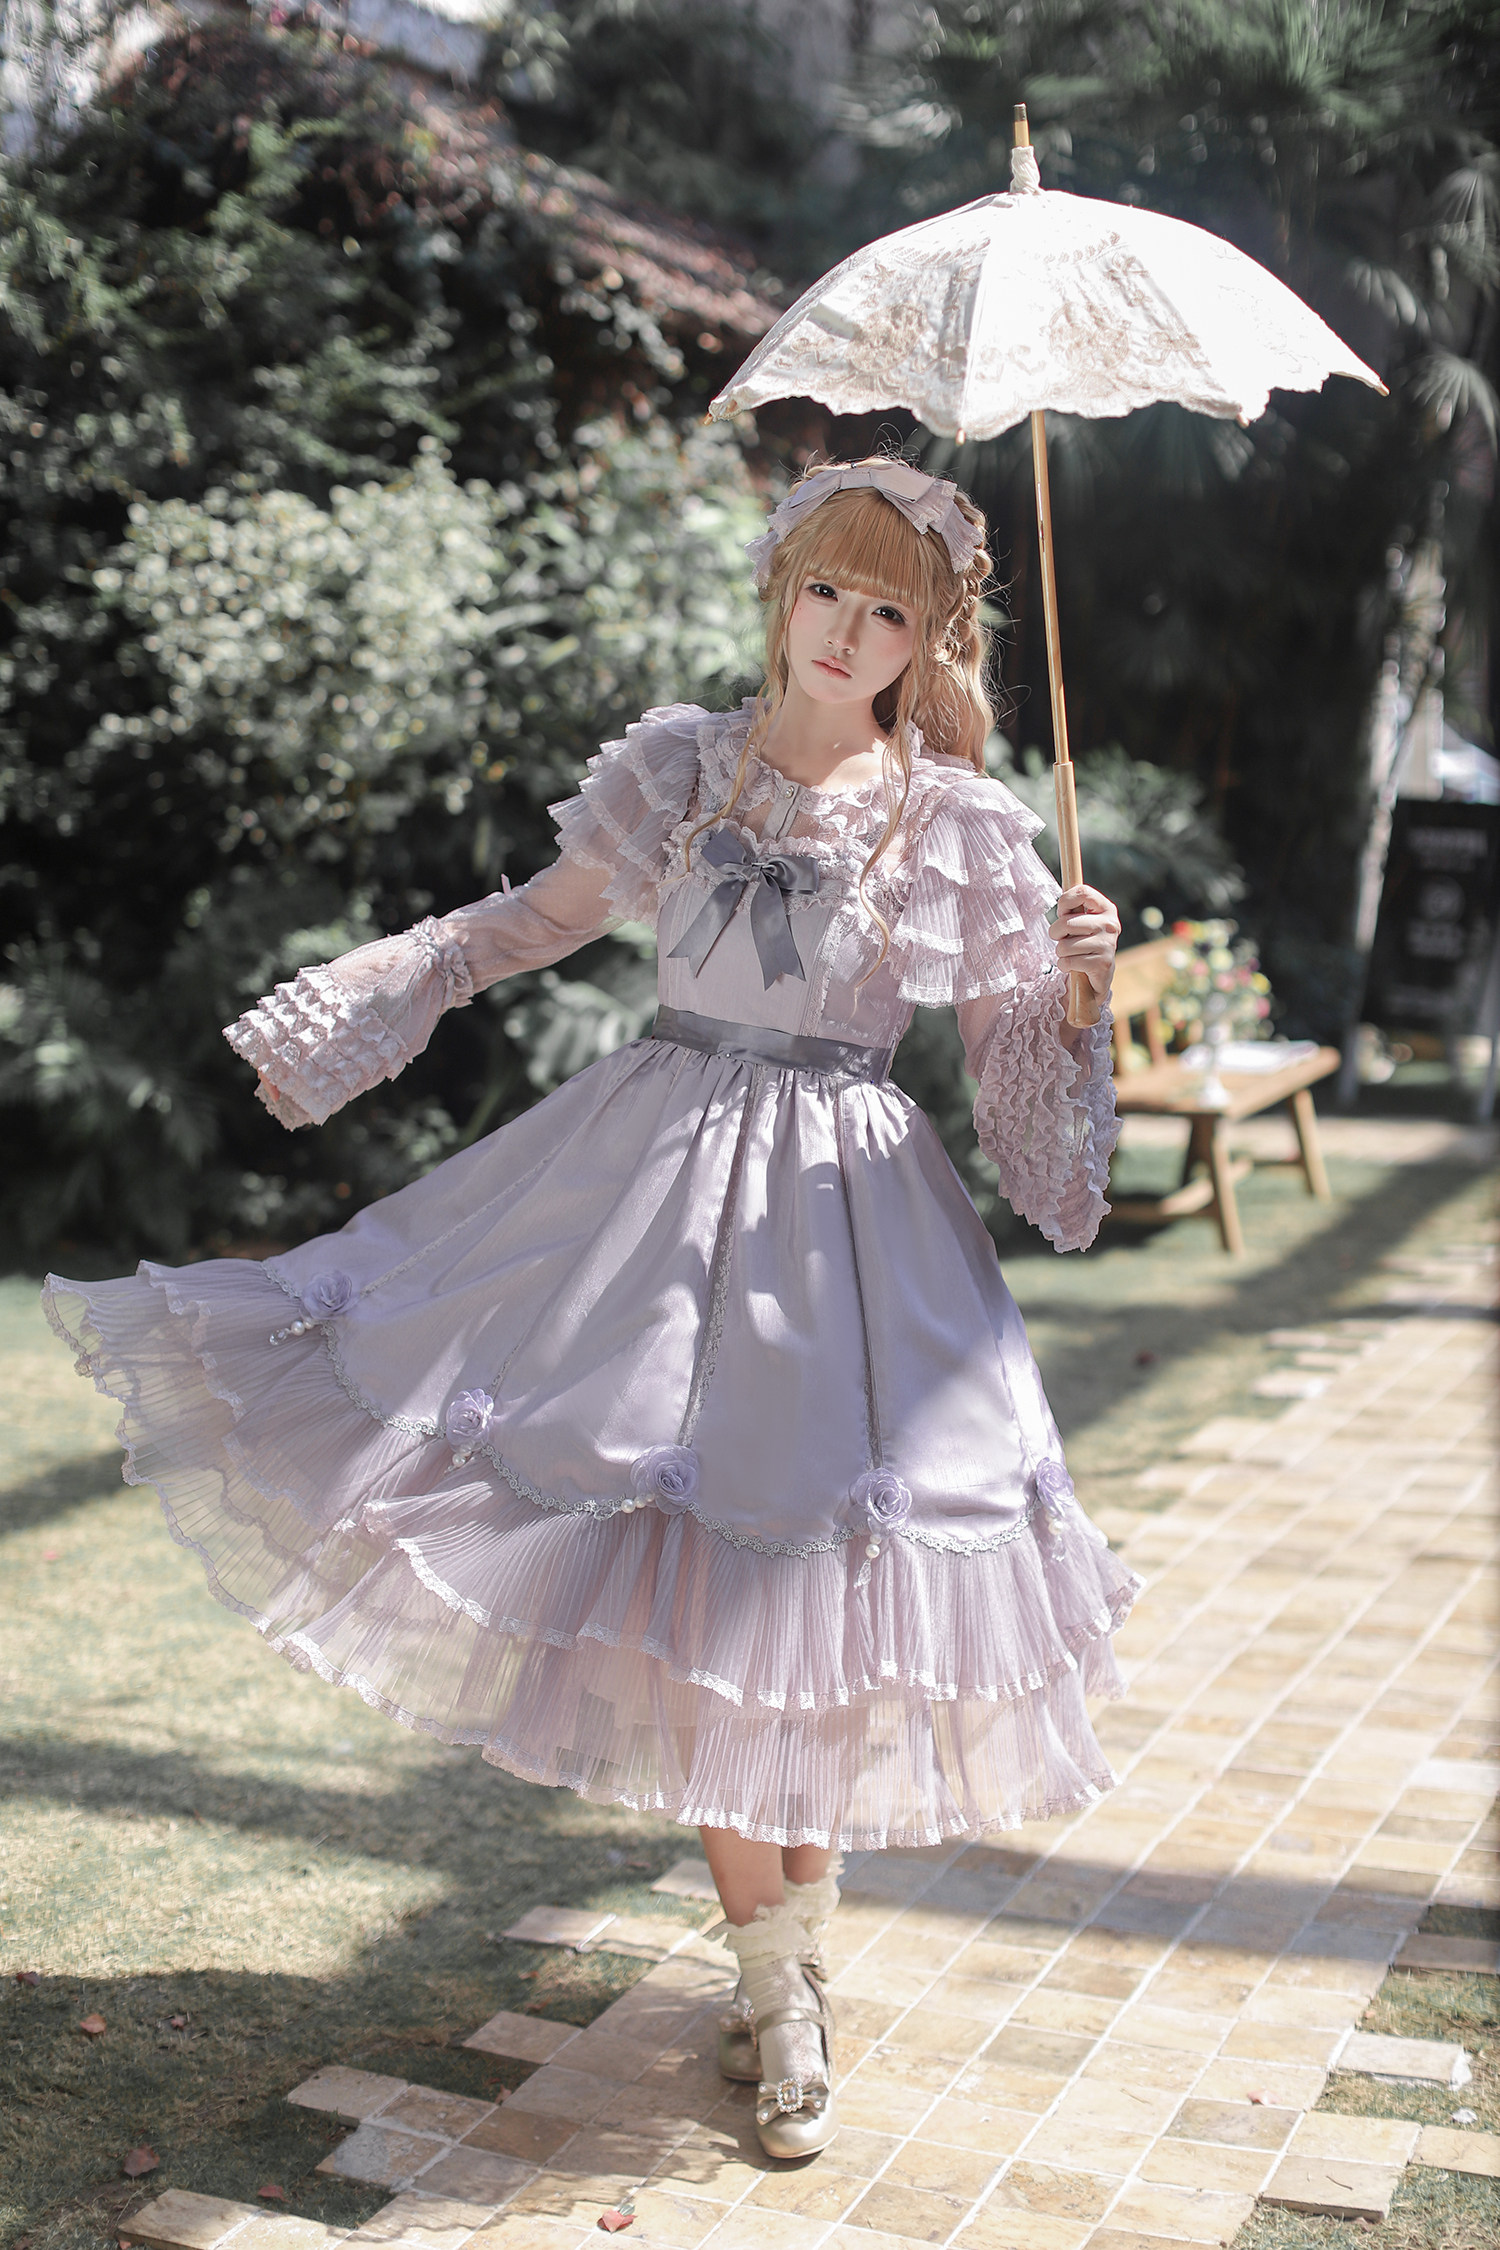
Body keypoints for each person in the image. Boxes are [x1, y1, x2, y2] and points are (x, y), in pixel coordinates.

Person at [45, 457, 1136, 2162]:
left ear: (930, 638)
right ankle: (779, 1987)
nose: (845, 630)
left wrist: (1077, 995)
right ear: (781, 588)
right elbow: (540, 921)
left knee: (807, 1605)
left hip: (843, 1236)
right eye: (826, 589)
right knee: (694, 1604)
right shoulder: (681, 766)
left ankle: (789, 1968)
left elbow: (1025, 1107)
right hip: (649, 1202)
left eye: (888, 609)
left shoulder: (961, 823)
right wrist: (391, 981)